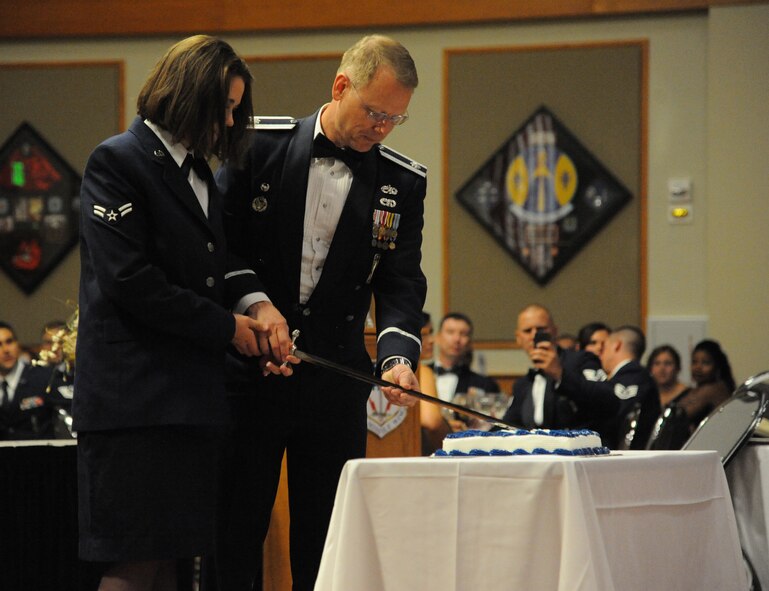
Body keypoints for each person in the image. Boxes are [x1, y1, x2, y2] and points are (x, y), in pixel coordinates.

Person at [73, 35, 291, 591]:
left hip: (186, 399)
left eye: (237, 107)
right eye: (225, 104)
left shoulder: (198, 174)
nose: (230, 118)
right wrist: (228, 329)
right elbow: (129, 281)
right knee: (133, 562)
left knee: (173, 561)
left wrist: (255, 314)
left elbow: (214, 269)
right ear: (190, 94)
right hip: (135, 404)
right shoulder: (117, 160)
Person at [212, 34, 427, 590]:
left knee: (327, 539)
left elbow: (401, 278)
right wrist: (255, 306)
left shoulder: (401, 182)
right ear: (340, 86)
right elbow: (219, 246)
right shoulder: (257, 146)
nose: (382, 128)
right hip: (250, 372)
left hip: (334, 380)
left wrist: (398, 355)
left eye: (395, 120)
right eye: (375, 112)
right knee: (234, 533)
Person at [502, 304, 603, 430]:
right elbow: (508, 425)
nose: (534, 335)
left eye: (541, 329)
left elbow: (607, 400)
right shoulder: (523, 384)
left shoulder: (581, 360)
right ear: (518, 338)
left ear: (554, 331)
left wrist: (560, 374)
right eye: (527, 331)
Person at [560, 325, 661, 449]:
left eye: (604, 346)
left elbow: (613, 417)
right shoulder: (635, 377)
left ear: (616, 345)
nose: (600, 353)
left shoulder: (632, 378)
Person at [0, 321, 58, 439]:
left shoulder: (43, 377)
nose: (6, 350)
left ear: (18, 344)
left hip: (40, 452)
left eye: (9, 342)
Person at [431, 312, 500, 402]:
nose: (456, 339)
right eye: (450, 332)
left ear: (469, 342)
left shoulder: (484, 384)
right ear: (438, 337)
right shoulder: (420, 374)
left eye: (463, 334)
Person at [647, 344, 689, 408]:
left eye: (668, 363)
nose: (662, 369)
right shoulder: (646, 395)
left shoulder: (688, 395)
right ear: (650, 368)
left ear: (677, 368)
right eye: (657, 363)